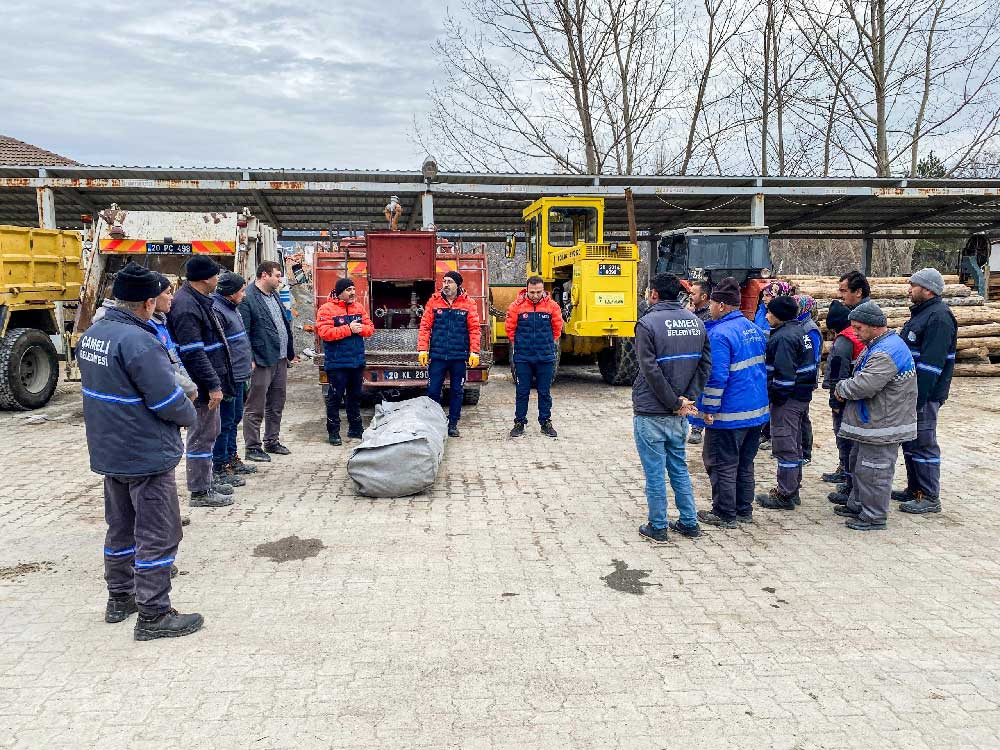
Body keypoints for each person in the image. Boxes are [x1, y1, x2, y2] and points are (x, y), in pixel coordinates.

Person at [77, 262, 203, 640]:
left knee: (120, 527)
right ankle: (154, 614)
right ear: (148, 303)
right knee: (159, 532)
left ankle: (120, 598)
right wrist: (190, 414)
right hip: (144, 452)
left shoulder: (95, 333)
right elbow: (166, 399)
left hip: (110, 449)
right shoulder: (140, 342)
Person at [632, 272, 712, 544]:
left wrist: (675, 401)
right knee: (678, 466)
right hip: (679, 413)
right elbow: (705, 365)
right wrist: (686, 400)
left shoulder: (646, 324)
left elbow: (650, 370)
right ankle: (689, 522)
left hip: (652, 411)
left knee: (655, 471)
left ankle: (658, 526)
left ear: (654, 294)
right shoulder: (697, 323)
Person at [689, 277, 769, 528]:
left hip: (729, 413)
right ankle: (743, 509)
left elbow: (716, 376)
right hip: (755, 411)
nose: (710, 308)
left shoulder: (720, 334)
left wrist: (708, 410)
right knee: (745, 463)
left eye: (712, 303)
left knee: (721, 462)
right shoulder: (752, 328)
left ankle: (724, 512)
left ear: (722, 305)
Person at [834, 301, 917, 531]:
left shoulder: (886, 351)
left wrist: (841, 388)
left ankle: (874, 516)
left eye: (858, 328)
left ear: (874, 326)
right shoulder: (879, 344)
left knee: (875, 471)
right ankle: (858, 504)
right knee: (861, 465)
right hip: (873, 422)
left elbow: (865, 385)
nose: (855, 333)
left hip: (884, 424)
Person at [169, 256, 235, 508]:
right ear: (206, 278)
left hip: (208, 382)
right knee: (201, 436)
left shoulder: (198, 301)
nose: (218, 279)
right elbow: (194, 353)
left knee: (210, 433)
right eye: (216, 275)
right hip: (201, 387)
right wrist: (213, 386)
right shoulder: (187, 307)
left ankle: (206, 480)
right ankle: (199, 491)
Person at [896, 268, 958, 515]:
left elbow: (932, 365)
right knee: (911, 443)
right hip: (911, 393)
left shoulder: (939, 318)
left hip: (924, 395)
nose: (909, 289)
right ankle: (915, 489)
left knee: (924, 443)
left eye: (914, 285)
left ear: (928, 289)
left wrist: (918, 398)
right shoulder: (922, 314)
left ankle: (929, 496)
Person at [756, 295, 816, 510]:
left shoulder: (783, 338)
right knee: (795, 444)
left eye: (770, 312)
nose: (767, 316)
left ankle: (785, 494)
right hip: (801, 397)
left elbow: (783, 375)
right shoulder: (800, 331)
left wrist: (776, 399)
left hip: (788, 400)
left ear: (779, 315)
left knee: (785, 445)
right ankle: (793, 488)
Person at [240, 260, 299, 461]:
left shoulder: (273, 294)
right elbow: (244, 332)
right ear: (264, 275)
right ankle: (252, 447)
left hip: (280, 358)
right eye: (277, 275)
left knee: (276, 403)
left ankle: (272, 440)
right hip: (262, 360)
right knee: (255, 405)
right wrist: (250, 357)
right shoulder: (248, 298)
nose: (279, 279)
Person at [418, 270, 481, 438]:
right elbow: (425, 327)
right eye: (444, 281)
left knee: (457, 391)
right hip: (438, 356)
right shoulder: (434, 302)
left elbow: (474, 329)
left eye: (449, 281)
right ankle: (435, 423)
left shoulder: (468, 304)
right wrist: (423, 349)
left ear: (458, 285)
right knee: (433, 391)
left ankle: (453, 423)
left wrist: (474, 352)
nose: (445, 284)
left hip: (459, 357)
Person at [317, 277, 374, 446]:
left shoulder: (358, 307)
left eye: (353, 289)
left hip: (356, 362)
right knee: (335, 398)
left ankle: (355, 429)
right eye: (349, 290)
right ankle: (333, 432)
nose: (353, 292)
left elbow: (370, 328)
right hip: (337, 363)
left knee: (355, 396)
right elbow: (325, 332)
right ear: (340, 292)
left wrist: (361, 329)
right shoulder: (326, 309)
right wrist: (348, 329)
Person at [505, 276, 563, 438]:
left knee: (544, 392)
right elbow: (510, 330)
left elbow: (557, 330)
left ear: (543, 290)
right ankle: (519, 422)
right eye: (532, 292)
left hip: (545, 357)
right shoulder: (516, 307)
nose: (536, 295)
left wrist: (545, 345)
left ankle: (545, 422)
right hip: (523, 358)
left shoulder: (552, 307)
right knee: (522, 391)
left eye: (539, 292)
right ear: (526, 290)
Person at [211, 272, 255, 485]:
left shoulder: (231, 309)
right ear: (230, 293)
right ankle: (220, 466)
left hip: (239, 375)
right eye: (241, 291)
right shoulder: (218, 311)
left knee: (234, 418)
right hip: (228, 377)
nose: (244, 295)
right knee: (225, 422)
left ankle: (231, 457)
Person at [822, 300, 864, 493]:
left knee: (844, 437)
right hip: (852, 394)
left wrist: (834, 399)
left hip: (844, 397)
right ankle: (848, 477)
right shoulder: (852, 336)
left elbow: (838, 372)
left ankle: (848, 483)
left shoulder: (843, 341)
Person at [795, 295, 822, 464]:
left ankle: (805, 452)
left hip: (806, 377)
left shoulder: (810, 328)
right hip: (801, 376)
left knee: (803, 416)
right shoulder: (800, 325)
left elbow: (812, 356)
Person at [686, 281, 712, 445]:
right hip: (691, 360)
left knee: (702, 394)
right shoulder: (691, 312)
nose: (690, 295)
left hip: (703, 360)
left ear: (704, 296)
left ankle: (697, 428)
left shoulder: (709, 316)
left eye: (694, 293)